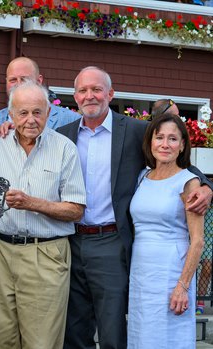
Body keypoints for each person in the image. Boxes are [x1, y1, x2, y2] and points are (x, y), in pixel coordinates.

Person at [57, 66, 213, 349]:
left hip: (111, 242)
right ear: (75, 96)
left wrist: (206, 186)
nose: (89, 96)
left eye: (96, 89)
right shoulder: (62, 135)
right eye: (82, 90)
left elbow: (177, 161)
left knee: (112, 330)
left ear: (110, 94)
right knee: (73, 329)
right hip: (70, 241)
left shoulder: (135, 130)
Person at [0, 81, 86, 349]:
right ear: (10, 115)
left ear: (48, 114)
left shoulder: (64, 149)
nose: (30, 120)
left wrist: (32, 203)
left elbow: (76, 209)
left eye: (37, 112)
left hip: (45, 254)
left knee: (42, 343)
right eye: (23, 113)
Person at [128, 113, 204, 348]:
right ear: (150, 142)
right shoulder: (142, 176)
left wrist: (183, 286)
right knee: (142, 336)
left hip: (171, 273)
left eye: (172, 139)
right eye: (159, 137)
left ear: (182, 145)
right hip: (141, 274)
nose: (165, 144)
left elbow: (198, 241)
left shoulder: (189, 182)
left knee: (169, 338)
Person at [0, 56, 80, 167]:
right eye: (13, 80)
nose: (18, 84)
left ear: (39, 81)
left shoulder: (70, 120)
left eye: (24, 79)